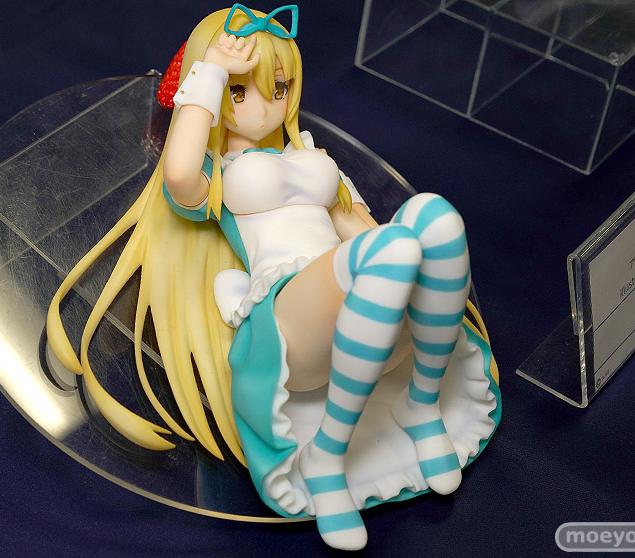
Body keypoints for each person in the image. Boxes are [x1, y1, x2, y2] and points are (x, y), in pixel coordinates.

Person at [47, 5, 501, 550]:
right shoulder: (216, 176)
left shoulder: (312, 157)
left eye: (278, 88)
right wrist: (213, 72)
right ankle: (326, 456)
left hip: (371, 303)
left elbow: (366, 231)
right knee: (397, 247)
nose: (264, 107)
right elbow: (178, 171)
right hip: (292, 321)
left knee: (435, 216)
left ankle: (421, 406)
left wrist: (407, 273)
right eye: (240, 92)